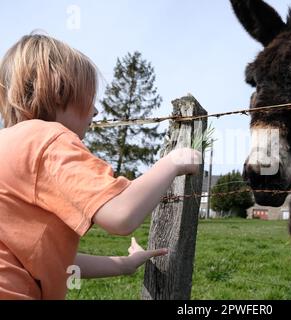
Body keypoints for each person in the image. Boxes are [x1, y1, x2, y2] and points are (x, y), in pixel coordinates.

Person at [0, 33, 202, 300]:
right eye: (89, 98)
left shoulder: (9, 147)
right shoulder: (48, 139)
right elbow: (121, 215)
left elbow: (47, 258)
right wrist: (175, 161)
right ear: (61, 90)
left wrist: (124, 264)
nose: (95, 112)